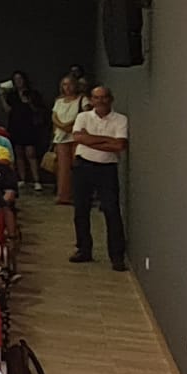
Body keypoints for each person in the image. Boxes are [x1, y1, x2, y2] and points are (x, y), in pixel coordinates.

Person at [69, 84, 129, 270]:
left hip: (107, 169)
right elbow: (78, 138)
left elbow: (119, 146)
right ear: (91, 100)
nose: (100, 101)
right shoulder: (83, 117)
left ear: (110, 99)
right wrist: (107, 140)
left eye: (104, 97)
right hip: (83, 166)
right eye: (96, 97)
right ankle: (84, 249)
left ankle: (117, 257)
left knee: (111, 211)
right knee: (81, 210)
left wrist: (91, 139)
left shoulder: (120, 119)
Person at [50, 72, 84, 206]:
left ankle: (79, 195)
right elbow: (54, 117)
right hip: (61, 137)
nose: (67, 87)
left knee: (78, 167)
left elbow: (83, 115)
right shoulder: (59, 101)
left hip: (76, 136)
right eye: (64, 84)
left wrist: (69, 125)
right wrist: (62, 126)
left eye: (70, 84)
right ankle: (63, 195)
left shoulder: (82, 99)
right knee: (63, 169)